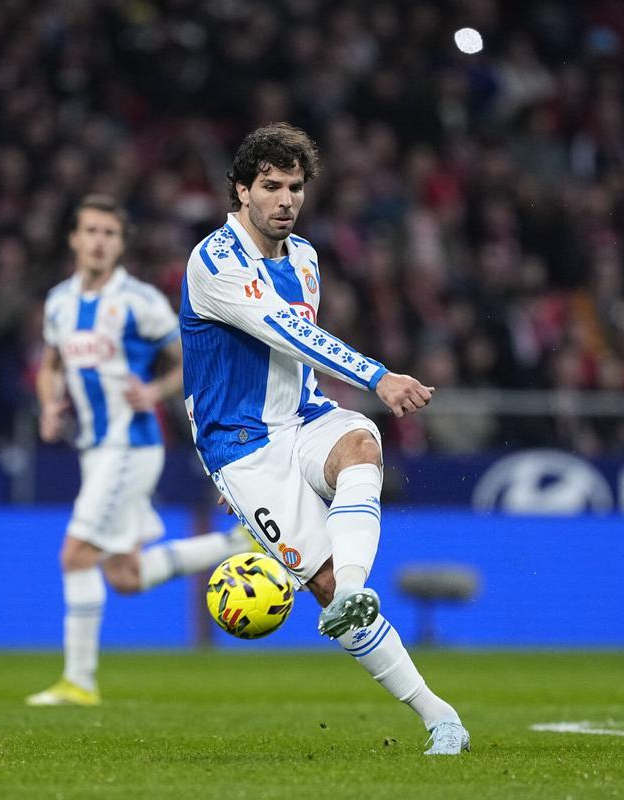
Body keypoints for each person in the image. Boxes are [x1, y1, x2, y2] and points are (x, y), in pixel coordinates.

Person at [180, 124, 470, 755]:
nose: (285, 199)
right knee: (326, 584)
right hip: (242, 447)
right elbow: (288, 333)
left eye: (295, 187)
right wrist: (378, 377)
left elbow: (297, 358)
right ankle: (437, 711)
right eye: (270, 186)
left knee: (362, 443)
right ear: (241, 192)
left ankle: (360, 593)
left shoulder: (307, 258)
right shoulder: (215, 262)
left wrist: (354, 394)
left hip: (303, 417)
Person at [28, 194, 251, 707]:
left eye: (109, 233)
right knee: (124, 576)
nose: (99, 241)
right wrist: (48, 406)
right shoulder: (60, 302)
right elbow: (51, 364)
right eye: (91, 231)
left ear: (121, 243)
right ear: (74, 239)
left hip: (130, 444)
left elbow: (186, 361)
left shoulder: (140, 301)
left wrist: (153, 392)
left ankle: (78, 682)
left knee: (76, 555)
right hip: (94, 448)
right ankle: (234, 547)